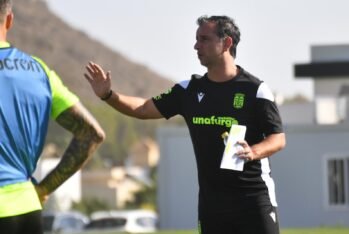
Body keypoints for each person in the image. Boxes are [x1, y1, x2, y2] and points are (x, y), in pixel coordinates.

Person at [85, 15, 286, 234]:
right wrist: (108, 95)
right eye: (196, 39)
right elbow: (143, 108)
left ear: (226, 43)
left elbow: (278, 138)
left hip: (254, 200)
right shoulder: (188, 90)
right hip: (212, 205)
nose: (196, 45)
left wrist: (254, 151)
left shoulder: (256, 89)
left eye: (204, 39)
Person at [0, 1, 105, 234]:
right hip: (27, 211)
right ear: (9, 20)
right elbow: (92, 134)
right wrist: (44, 189)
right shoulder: (39, 71)